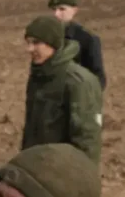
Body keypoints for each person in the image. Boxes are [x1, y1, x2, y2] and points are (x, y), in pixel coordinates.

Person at [22, 15, 103, 165]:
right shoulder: (39, 77)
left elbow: (87, 141)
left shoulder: (78, 82)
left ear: (53, 43)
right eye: (28, 43)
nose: (29, 49)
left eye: (36, 43)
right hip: (38, 166)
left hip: (62, 171)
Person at [47, 0, 107, 90]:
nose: (56, 14)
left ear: (74, 10)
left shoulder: (87, 39)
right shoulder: (48, 37)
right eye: (54, 9)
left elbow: (98, 78)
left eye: (62, 9)